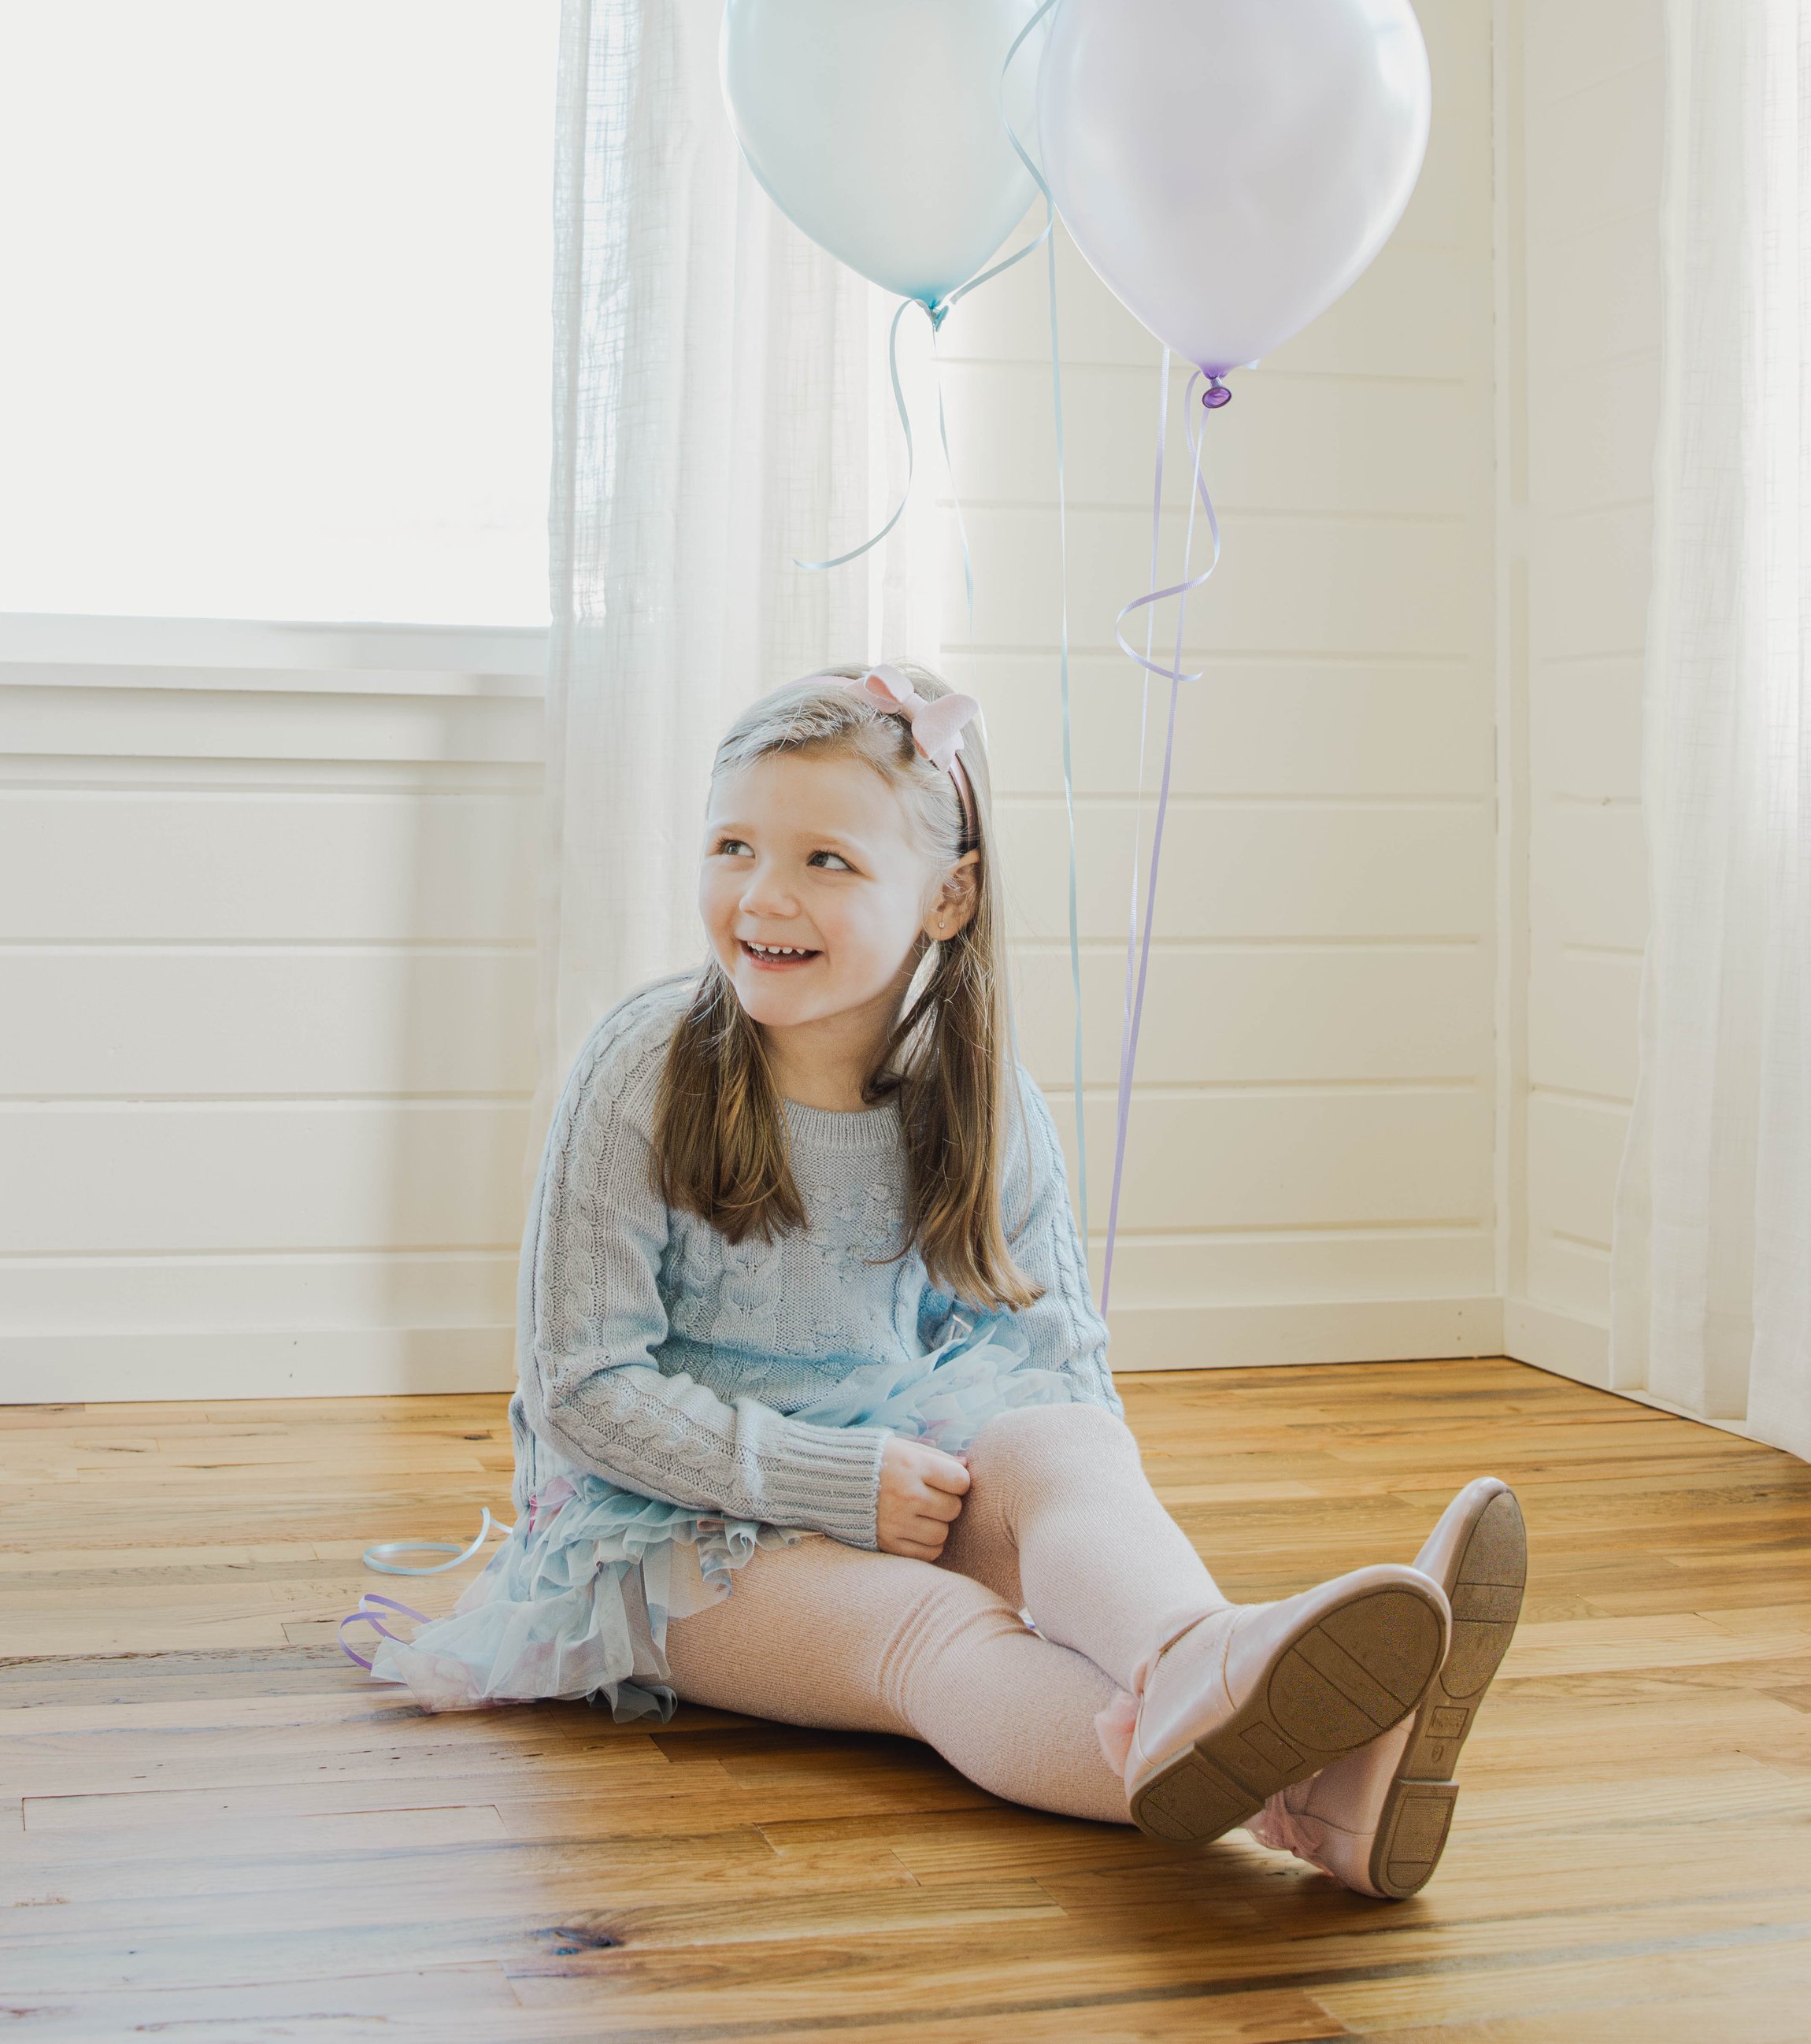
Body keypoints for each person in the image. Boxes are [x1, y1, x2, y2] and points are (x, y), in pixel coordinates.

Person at [371, 663, 1526, 1901]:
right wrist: (835, 1482)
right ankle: (1296, 1781)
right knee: (929, 1638)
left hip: (889, 1470)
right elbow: (581, 1388)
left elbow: (1055, 1361)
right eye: (733, 844)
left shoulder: (980, 1096)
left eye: (828, 861)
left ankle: (1209, 1663)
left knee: (1068, 1454)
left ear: (948, 894)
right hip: (660, 1527)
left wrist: (1048, 1513)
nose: (763, 893)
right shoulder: (646, 1067)